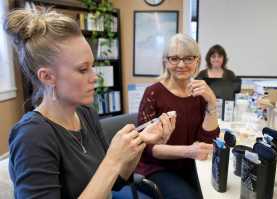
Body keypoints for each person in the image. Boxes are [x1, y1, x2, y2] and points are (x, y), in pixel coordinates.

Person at [4, 8, 176, 199]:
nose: (95, 77)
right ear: (47, 77)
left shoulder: (86, 113)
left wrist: (139, 143)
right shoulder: (32, 137)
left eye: (92, 66)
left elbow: (116, 182)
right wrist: (112, 160)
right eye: (83, 69)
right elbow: (109, 169)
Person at [135, 33, 220, 199]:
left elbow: (207, 141)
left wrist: (212, 102)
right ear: (166, 61)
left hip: (193, 164)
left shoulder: (200, 91)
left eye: (188, 58)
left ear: (197, 61)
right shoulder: (153, 92)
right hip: (159, 168)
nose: (181, 64)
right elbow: (148, 148)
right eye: (174, 58)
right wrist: (189, 151)